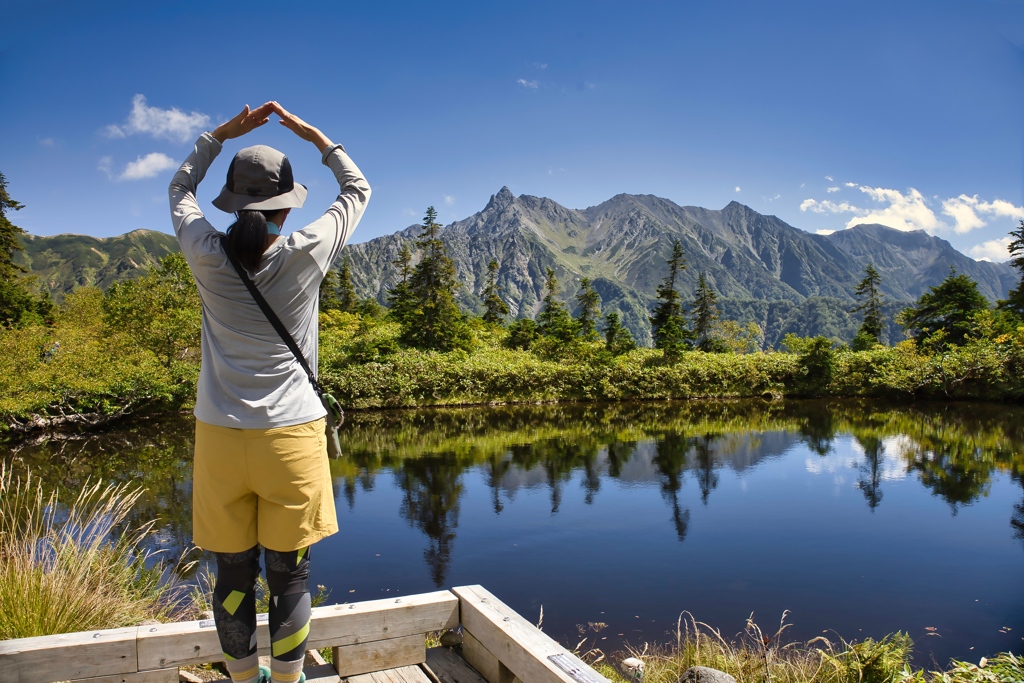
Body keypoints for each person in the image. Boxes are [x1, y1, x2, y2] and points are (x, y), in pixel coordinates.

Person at [169, 102, 370, 683]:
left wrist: (219, 136)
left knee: (232, 576)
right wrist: (316, 138)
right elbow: (357, 188)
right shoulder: (308, 250)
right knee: (290, 577)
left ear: (230, 198)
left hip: (220, 439)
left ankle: (240, 678)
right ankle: (287, 680)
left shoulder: (204, 251)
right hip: (292, 437)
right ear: (287, 200)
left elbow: (181, 187)